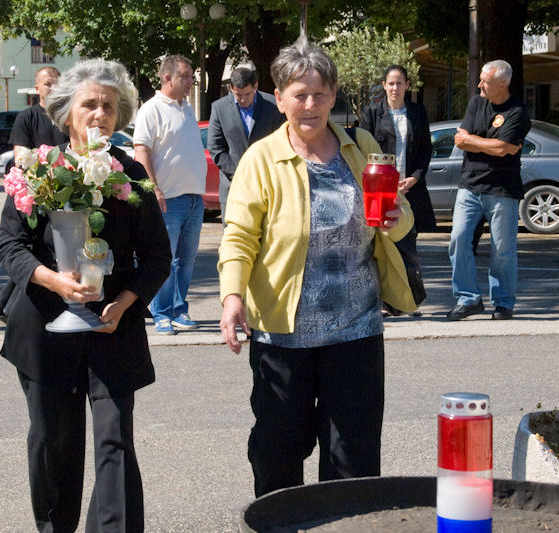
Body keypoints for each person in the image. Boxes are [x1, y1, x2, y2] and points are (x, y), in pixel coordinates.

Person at [218, 38, 416, 497]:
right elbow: (239, 236)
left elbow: (400, 214)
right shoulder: (261, 158)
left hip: (357, 328)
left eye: (320, 94)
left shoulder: (361, 146)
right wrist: (231, 298)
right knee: (278, 450)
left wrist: (396, 218)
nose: (310, 105)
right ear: (279, 97)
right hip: (282, 333)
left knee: (353, 454)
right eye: (300, 94)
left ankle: (346, 525)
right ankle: (279, 523)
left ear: (333, 95)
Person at [0, 58, 171, 532]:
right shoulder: (38, 169)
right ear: (65, 112)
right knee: (53, 441)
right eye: (89, 104)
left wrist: (126, 302)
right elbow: (9, 245)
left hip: (114, 325)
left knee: (115, 443)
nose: (100, 114)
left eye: (109, 106)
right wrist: (52, 280)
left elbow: (158, 257)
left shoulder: (131, 174)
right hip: (45, 326)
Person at [447, 60, 530, 321]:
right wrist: (493, 144)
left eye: (486, 81)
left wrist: (475, 141)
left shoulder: (517, 111)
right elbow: (460, 140)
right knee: (458, 239)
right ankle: (468, 298)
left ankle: (503, 303)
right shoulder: (476, 103)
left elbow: (501, 148)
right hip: (470, 186)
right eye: (481, 79)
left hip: (502, 190)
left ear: (502, 84)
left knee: (502, 250)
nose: (480, 85)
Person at [133, 55, 207, 335]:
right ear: (167, 78)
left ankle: (178, 309)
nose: (191, 81)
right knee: (164, 258)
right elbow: (141, 151)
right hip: (169, 199)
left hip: (194, 198)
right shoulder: (151, 109)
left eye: (191, 76)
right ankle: (161, 312)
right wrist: (153, 188)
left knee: (186, 261)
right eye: (185, 76)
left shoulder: (186, 108)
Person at [0, 66, 69, 322]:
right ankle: (12, 305)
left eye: (57, 82)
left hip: (67, 191)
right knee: (33, 250)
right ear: (37, 88)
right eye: (48, 83)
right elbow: (21, 157)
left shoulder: (69, 116)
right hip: (36, 193)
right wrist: (48, 164)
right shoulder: (27, 117)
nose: (53, 87)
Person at [360, 65, 436, 234]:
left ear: (407, 85)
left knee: (409, 241)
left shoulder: (418, 112)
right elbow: (363, 151)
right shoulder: (372, 113)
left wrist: (415, 178)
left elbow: (425, 149)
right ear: (384, 85)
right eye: (391, 83)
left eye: (399, 83)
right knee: (381, 239)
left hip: (410, 189)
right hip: (379, 191)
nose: (395, 88)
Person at [208, 67, 285, 220]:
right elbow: (216, 148)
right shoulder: (219, 108)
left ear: (255, 86)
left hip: (267, 186)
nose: (243, 99)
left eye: (247, 94)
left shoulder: (273, 105)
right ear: (231, 88)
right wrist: (240, 174)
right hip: (232, 187)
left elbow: (282, 143)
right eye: (238, 95)